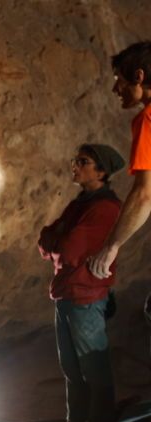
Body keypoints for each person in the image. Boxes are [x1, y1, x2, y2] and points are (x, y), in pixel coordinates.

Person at [38, 144, 125, 422]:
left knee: (93, 366)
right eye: (75, 159)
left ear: (101, 171)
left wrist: (57, 242)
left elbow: (67, 248)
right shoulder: (80, 205)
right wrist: (57, 242)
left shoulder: (104, 208)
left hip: (86, 296)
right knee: (72, 368)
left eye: (83, 161)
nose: (75, 165)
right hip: (66, 292)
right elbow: (46, 239)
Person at [89, 41, 151, 279]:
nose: (115, 88)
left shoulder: (147, 120)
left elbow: (144, 195)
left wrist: (111, 246)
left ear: (139, 76)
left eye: (119, 79)